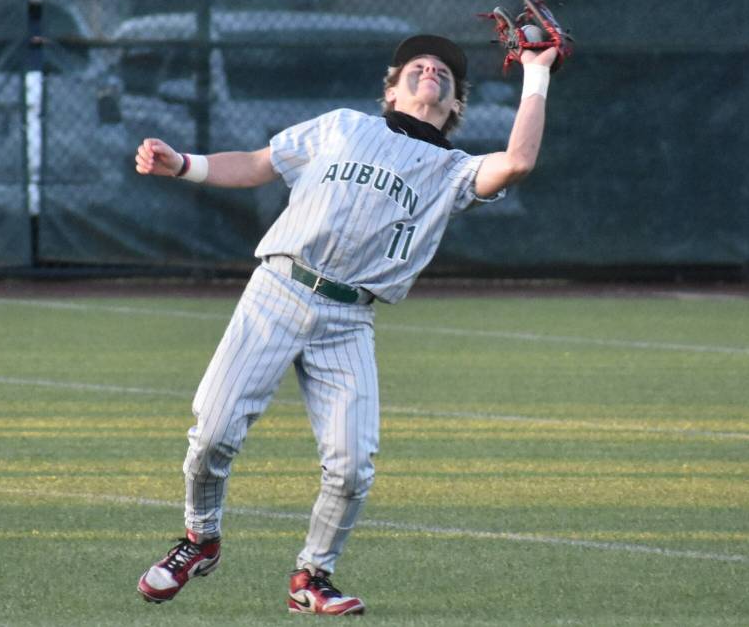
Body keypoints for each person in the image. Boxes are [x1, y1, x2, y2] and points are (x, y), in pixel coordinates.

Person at [134, 34, 558, 616]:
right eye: (417, 64)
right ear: (391, 88)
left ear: (456, 103)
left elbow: (518, 162)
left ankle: (312, 575)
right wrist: (184, 165)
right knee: (213, 433)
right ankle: (200, 538)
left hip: (349, 317)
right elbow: (258, 164)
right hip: (277, 290)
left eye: (444, 71)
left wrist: (537, 73)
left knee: (353, 464)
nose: (431, 69)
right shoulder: (341, 126)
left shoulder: (453, 171)